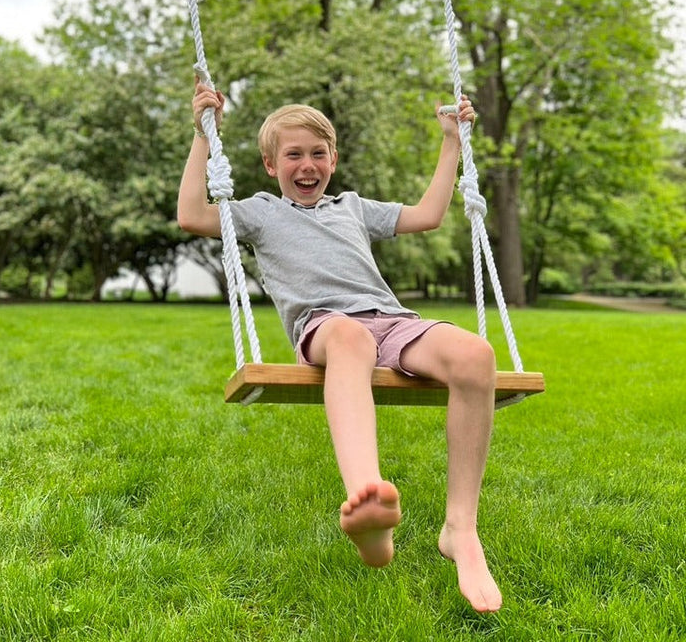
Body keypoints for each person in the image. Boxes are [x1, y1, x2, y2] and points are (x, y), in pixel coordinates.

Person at [178, 80, 502, 614]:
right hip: (326, 328)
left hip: (391, 322)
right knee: (350, 336)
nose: (307, 165)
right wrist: (201, 137)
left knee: (476, 356)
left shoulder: (353, 207)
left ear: (333, 159)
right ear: (270, 165)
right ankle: (367, 499)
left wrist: (451, 142)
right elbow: (192, 215)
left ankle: (460, 529)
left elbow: (428, 215)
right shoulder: (260, 212)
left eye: (318, 154)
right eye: (293, 155)